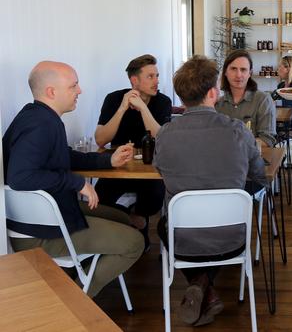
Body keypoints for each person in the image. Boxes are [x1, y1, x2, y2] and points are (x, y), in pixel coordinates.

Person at [3, 61, 144, 298]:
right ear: (51, 92)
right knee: (135, 243)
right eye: (73, 85)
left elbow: (63, 156)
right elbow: (20, 177)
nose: (80, 90)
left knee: (121, 216)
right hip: (40, 233)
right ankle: (73, 299)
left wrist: (107, 161)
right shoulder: (40, 124)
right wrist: (77, 183)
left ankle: (76, 281)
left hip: (52, 215)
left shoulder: (38, 116)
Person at [154, 55, 267, 326]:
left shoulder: (165, 134)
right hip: (232, 237)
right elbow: (259, 177)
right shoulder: (238, 131)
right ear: (213, 93)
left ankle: (200, 283)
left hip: (183, 238)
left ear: (182, 98)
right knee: (215, 222)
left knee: (164, 223)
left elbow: (162, 173)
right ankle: (206, 286)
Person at [94, 54, 171, 250]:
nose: (157, 81)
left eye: (157, 75)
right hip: (119, 166)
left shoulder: (162, 101)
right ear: (134, 80)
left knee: (155, 195)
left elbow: (162, 139)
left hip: (150, 168)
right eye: (150, 76)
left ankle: (138, 221)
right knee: (100, 198)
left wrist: (143, 108)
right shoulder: (113, 99)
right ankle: (126, 228)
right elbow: (101, 139)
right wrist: (121, 109)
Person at [215, 50, 276, 147]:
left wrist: (234, 145)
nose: (238, 75)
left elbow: (267, 140)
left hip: (251, 160)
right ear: (225, 72)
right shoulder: (217, 103)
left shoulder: (263, 100)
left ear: (250, 73)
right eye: (233, 69)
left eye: (243, 70)